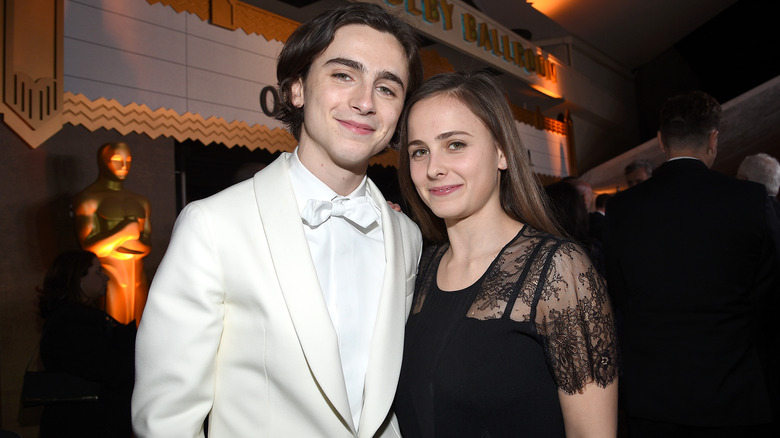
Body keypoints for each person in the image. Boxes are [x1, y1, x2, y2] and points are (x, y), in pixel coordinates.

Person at [132, 3, 423, 437]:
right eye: (344, 75)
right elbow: (167, 421)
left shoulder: (408, 236)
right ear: (298, 89)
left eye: (387, 88)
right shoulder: (213, 226)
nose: (364, 102)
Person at [393, 71, 618, 438]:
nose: (433, 169)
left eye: (455, 144)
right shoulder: (419, 266)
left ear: (501, 151)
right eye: (420, 151)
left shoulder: (558, 271)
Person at [604, 91, 779, 437]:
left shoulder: (623, 208)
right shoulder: (752, 201)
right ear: (713, 140)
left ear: (660, 141)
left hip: (654, 396)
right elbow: (770, 295)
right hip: (734, 392)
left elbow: (619, 293)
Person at [37, 249, 136, 438]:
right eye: (98, 272)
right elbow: (106, 367)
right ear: (78, 278)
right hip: (84, 425)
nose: (106, 278)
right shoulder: (73, 322)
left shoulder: (68, 318)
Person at [72, 142, 151, 326]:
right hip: (107, 274)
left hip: (138, 275)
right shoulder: (88, 199)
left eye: (128, 160)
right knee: (113, 327)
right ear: (103, 161)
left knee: (142, 328)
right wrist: (123, 232)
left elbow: (147, 243)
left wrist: (130, 239)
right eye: (117, 160)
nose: (124, 166)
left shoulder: (141, 201)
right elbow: (89, 246)